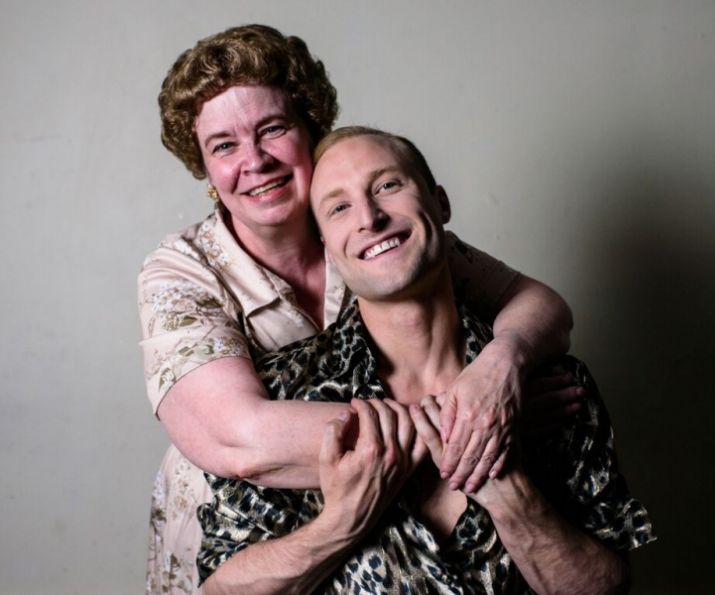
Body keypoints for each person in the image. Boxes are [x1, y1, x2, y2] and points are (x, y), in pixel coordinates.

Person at [139, 25, 576, 594]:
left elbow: (538, 305)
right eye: (224, 145)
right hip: (247, 545)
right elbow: (241, 440)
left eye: (273, 129)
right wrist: (478, 427)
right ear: (204, 169)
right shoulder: (181, 273)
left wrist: (502, 367)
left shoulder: (368, 228)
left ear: (310, 129)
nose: (255, 160)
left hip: (400, 528)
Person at [196, 127, 655, 594]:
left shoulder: (552, 384)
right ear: (326, 246)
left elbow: (608, 589)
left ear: (441, 203)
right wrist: (339, 524)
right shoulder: (285, 391)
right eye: (339, 208)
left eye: (387, 186)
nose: (370, 218)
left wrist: (512, 495)